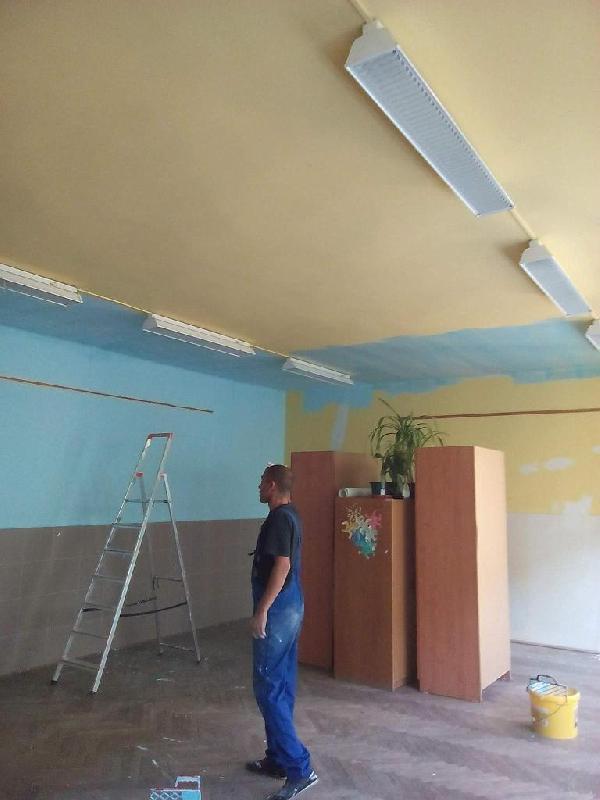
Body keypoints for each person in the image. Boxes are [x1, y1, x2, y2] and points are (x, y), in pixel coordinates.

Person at [246, 464, 318, 800]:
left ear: (272, 485)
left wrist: (262, 610)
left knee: (269, 688)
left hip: (277, 609)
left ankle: (300, 768)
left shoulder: (278, 519)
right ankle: (277, 758)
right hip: (291, 606)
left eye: (262, 482)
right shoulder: (291, 515)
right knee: (282, 683)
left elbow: (282, 566)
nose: (259, 487)